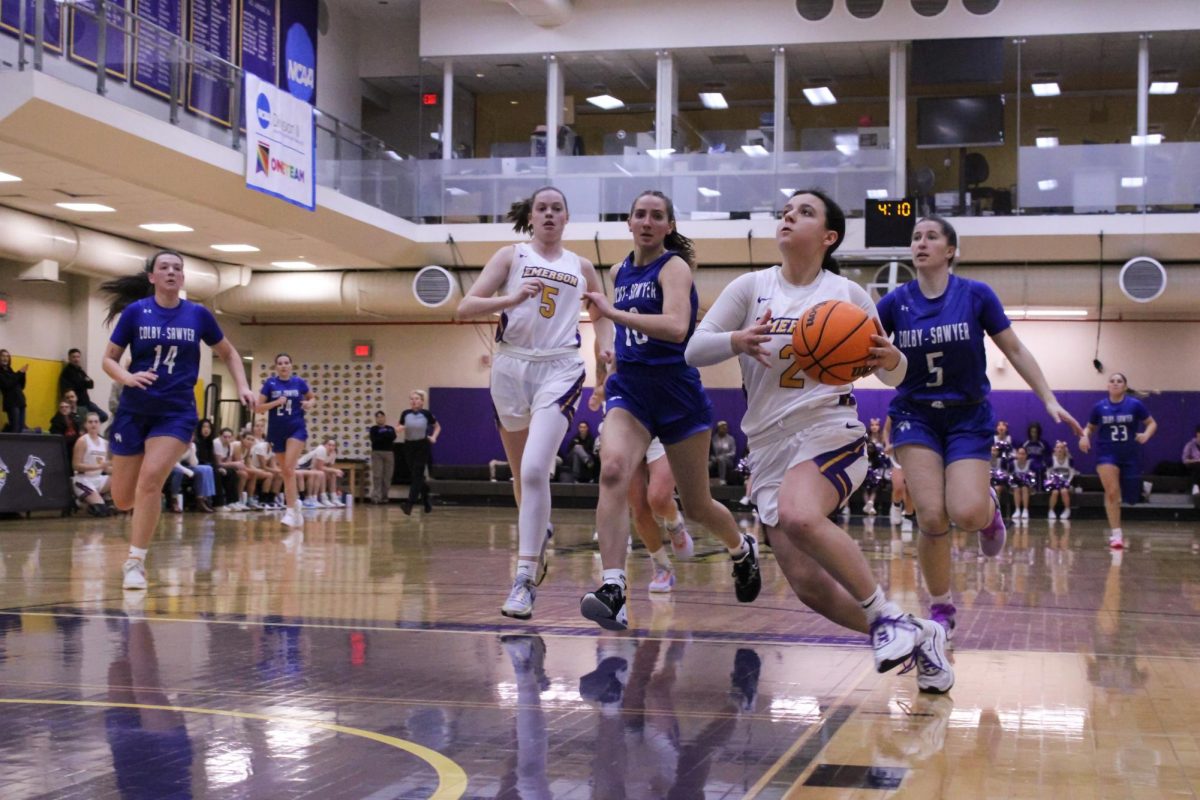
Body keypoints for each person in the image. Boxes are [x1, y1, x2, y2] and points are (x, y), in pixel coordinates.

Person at [685, 188, 952, 693]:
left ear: (828, 237)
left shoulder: (846, 295)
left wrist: (891, 357)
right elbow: (693, 350)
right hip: (767, 447)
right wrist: (735, 341)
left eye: (804, 211)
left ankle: (889, 617)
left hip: (828, 431)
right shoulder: (750, 286)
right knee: (808, 586)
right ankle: (921, 636)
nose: (788, 215)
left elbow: (894, 375)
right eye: (785, 209)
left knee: (800, 514)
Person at [876, 215, 1081, 642]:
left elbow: (1015, 349)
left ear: (950, 250)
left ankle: (988, 512)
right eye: (916, 237)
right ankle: (942, 606)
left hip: (967, 415)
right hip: (915, 415)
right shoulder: (895, 304)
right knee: (931, 515)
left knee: (965, 512)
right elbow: (863, 350)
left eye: (931, 237)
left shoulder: (975, 295)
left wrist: (1047, 397)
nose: (921, 243)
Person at [579, 189, 761, 632]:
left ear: (669, 226)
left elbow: (677, 328)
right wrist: (609, 359)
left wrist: (615, 315)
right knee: (613, 470)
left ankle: (741, 549)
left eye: (656, 216)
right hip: (632, 391)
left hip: (677, 394)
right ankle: (613, 588)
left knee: (696, 505)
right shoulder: (619, 269)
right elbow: (616, 328)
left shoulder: (674, 267)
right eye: (639, 213)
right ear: (628, 221)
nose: (646, 221)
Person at [456, 185, 610, 619]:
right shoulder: (511, 256)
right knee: (522, 479)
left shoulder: (581, 266)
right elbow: (467, 306)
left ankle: (523, 579)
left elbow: (600, 314)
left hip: (560, 367)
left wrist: (604, 350)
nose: (548, 214)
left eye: (556, 208)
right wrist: (512, 298)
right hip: (509, 368)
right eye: (541, 208)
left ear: (566, 217)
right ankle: (537, 531)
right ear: (532, 215)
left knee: (534, 468)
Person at [102, 250, 255, 590]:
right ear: (152, 278)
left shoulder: (198, 315)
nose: (171, 272)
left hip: (176, 413)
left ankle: (135, 562)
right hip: (133, 410)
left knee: (151, 480)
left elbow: (228, 353)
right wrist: (126, 378)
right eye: (164, 267)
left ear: (182, 278)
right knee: (123, 498)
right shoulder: (135, 313)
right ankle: (134, 545)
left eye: (177, 268)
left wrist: (243, 385)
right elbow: (109, 360)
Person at [1078, 372, 1157, 550]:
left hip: (1129, 454)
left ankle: (1130, 499)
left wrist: (1146, 434)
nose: (1115, 384)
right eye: (1112, 381)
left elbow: (1152, 423)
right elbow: (1089, 427)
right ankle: (1116, 535)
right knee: (1112, 491)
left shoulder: (1135, 405)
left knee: (1130, 497)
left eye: (1119, 381)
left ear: (1125, 386)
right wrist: (1084, 437)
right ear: (1107, 385)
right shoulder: (1099, 407)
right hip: (1107, 454)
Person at [257, 353, 314, 528]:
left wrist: (309, 404)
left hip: (296, 429)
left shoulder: (299, 382)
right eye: (280, 363)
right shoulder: (269, 384)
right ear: (276, 367)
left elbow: (312, 397)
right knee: (286, 472)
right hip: (276, 431)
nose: (283, 366)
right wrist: (275, 403)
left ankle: (289, 511)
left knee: (289, 466)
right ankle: (295, 505)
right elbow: (258, 408)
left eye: (286, 363)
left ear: (291, 365)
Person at [399, 390, 440, 515]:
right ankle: (426, 498)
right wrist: (398, 429)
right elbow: (399, 426)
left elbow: (437, 427)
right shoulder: (405, 413)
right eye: (411, 399)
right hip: (408, 446)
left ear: (422, 401)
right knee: (417, 477)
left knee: (417, 475)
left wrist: (434, 437)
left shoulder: (426, 414)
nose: (413, 401)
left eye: (416, 398)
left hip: (422, 446)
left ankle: (409, 505)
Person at [72, 411, 113, 515]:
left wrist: (120, 470)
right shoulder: (82, 441)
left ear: (99, 424)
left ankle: (109, 500)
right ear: (86, 425)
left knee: (120, 479)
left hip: (98, 479)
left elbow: (106, 469)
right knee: (102, 512)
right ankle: (80, 502)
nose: (93, 424)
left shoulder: (105, 443)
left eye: (96, 422)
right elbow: (76, 466)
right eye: (90, 422)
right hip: (83, 480)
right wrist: (98, 466)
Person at [60, 348, 109, 423]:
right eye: (74, 357)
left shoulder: (80, 371)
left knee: (103, 416)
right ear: (69, 358)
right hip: (77, 405)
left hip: (87, 402)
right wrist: (83, 382)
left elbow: (91, 384)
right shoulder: (66, 373)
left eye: (78, 357)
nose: (76, 359)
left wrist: (81, 383)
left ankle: (91, 430)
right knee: (84, 423)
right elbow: (69, 390)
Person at [368, 410, 397, 504]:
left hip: (389, 453)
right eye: (378, 417)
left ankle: (385, 497)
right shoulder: (373, 429)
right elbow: (375, 439)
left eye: (382, 416)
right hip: (377, 453)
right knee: (377, 475)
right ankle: (376, 497)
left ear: (384, 418)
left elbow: (392, 437)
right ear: (376, 419)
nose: (380, 418)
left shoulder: (390, 428)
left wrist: (382, 434)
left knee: (387, 476)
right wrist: (384, 435)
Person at [1045, 440, 1077, 520]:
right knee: (1055, 492)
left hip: (1065, 481)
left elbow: (1072, 472)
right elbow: (1048, 472)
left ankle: (1067, 509)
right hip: (1053, 481)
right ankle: (1051, 510)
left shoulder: (1069, 460)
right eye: (1058, 447)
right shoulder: (1051, 460)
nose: (1059, 449)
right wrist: (1050, 480)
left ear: (1065, 450)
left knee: (1064, 491)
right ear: (1055, 449)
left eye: (1062, 448)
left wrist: (1068, 482)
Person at [0, 349, 28, 432]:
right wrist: (19, 373)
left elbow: (21, 386)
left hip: (20, 401)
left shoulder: (10, 370)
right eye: (3, 356)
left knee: (21, 429)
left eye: (7, 356)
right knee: (15, 429)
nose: (5, 358)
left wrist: (23, 374)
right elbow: (7, 384)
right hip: (12, 403)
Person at [709, 420, 738, 484]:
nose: (724, 429)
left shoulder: (730, 439)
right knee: (708, 464)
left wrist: (724, 456)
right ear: (718, 429)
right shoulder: (714, 439)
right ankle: (707, 482)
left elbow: (733, 452)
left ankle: (722, 480)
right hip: (715, 460)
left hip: (727, 460)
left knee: (721, 459)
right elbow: (711, 452)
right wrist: (713, 458)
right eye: (722, 428)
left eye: (725, 428)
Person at [1010, 447, 1034, 523]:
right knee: (1017, 488)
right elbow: (1010, 477)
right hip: (1016, 486)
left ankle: (1025, 510)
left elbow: (1033, 477)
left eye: (1023, 454)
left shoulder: (1030, 463)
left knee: (1024, 488)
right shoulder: (1012, 463)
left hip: (1028, 486)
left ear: (1026, 455)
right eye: (1019, 453)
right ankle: (1017, 510)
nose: (1021, 456)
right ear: (1016, 454)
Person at [1183, 425, 1200, 497]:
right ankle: (1195, 487)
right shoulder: (1190, 445)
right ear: (1197, 434)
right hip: (1192, 466)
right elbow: (1185, 460)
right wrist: (1197, 460)